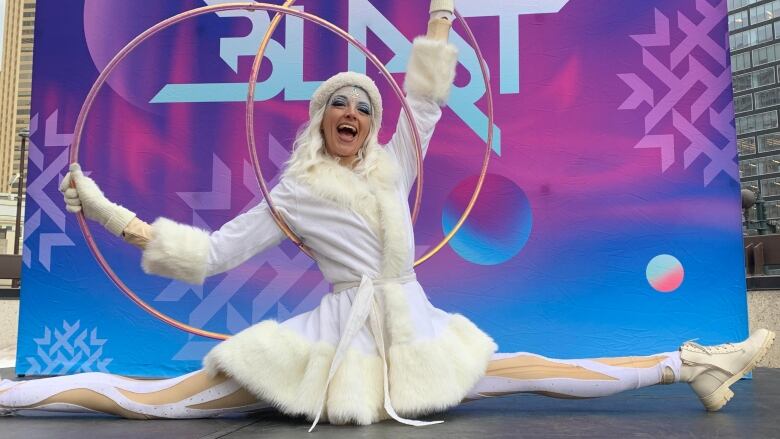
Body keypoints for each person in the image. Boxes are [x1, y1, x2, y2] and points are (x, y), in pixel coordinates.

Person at [1, 0, 774, 428]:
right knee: (155, 401)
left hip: (418, 333)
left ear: (372, 126)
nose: (353, 110)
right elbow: (207, 253)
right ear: (319, 116)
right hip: (330, 347)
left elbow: (427, 102)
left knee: (535, 370)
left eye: (364, 106)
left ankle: (693, 363)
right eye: (339, 101)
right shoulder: (295, 192)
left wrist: (439, 19)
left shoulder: (393, 164)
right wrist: (106, 211)